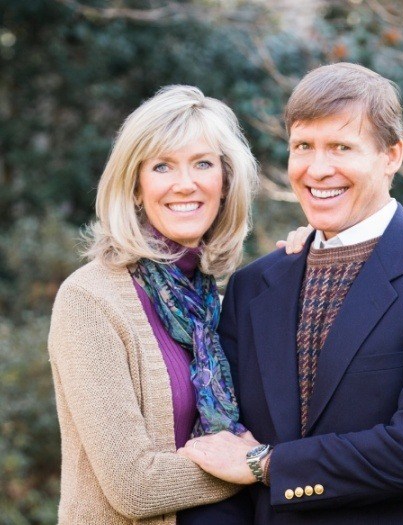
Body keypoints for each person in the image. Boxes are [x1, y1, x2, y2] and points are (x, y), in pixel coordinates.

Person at [177, 63, 403, 525]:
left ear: (392, 155)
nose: (317, 169)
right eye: (303, 146)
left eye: (341, 147)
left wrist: (266, 465)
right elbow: (221, 452)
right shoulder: (254, 287)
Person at [47, 85, 265, 525]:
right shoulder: (90, 300)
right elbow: (134, 486)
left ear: (225, 183)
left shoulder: (218, 303)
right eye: (163, 166)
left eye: (202, 164)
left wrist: (308, 257)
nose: (185, 184)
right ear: (135, 187)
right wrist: (259, 466)